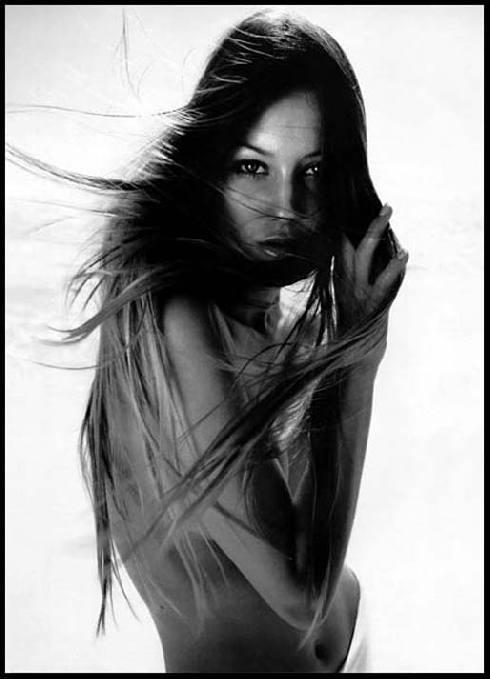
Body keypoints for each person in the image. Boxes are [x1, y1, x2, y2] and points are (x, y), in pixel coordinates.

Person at [9, 9, 408, 673]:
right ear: (211, 169)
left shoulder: (287, 325)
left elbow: (307, 527)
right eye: (254, 166)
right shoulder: (175, 322)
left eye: (311, 170)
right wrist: (359, 360)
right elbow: (302, 595)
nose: (285, 206)